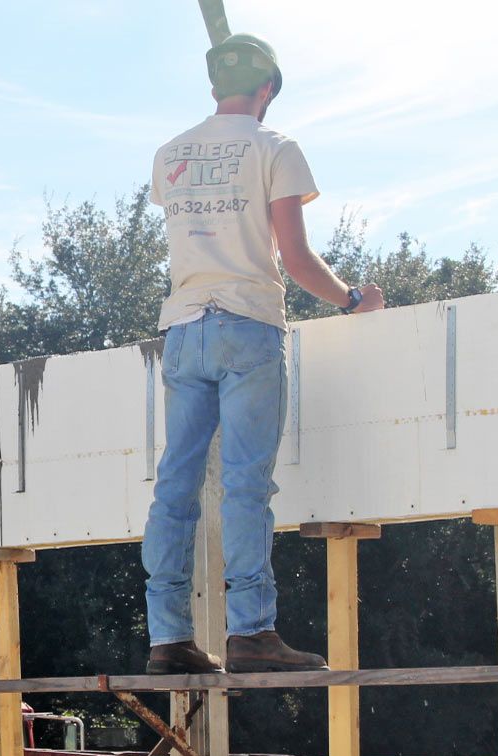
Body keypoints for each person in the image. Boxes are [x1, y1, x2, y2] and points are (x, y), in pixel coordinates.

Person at [143, 34, 385, 675]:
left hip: (182, 329)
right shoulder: (276, 148)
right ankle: (250, 632)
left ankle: (167, 637)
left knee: (175, 489)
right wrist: (352, 298)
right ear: (269, 87)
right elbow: (297, 259)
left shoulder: (171, 153)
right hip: (247, 324)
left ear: (213, 83)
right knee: (246, 485)